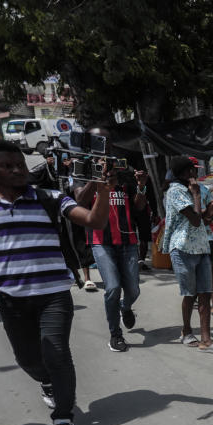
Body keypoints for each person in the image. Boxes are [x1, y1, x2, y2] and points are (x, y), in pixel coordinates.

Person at [0, 139, 110, 425]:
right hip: (11, 297)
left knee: (57, 353)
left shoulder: (51, 198)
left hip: (54, 293)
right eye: (8, 166)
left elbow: (94, 221)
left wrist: (103, 188)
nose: (18, 170)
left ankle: (63, 416)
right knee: (28, 358)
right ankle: (46, 382)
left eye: (20, 164)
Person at [73, 126, 150, 352]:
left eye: (106, 141)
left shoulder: (123, 167)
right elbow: (79, 201)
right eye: (98, 140)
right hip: (101, 240)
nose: (103, 145)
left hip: (128, 241)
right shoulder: (81, 167)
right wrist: (97, 178)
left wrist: (142, 186)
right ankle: (115, 334)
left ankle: (125, 307)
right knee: (113, 288)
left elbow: (137, 206)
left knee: (133, 290)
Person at [160, 155, 213, 355]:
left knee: (205, 293)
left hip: (202, 247)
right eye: (193, 169)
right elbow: (195, 220)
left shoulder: (198, 189)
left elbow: (204, 220)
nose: (196, 171)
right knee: (189, 294)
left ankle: (206, 340)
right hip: (182, 249)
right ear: (185, 172)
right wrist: (197, 195)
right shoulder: (175, 192)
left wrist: (211, 210)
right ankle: (187, 331)